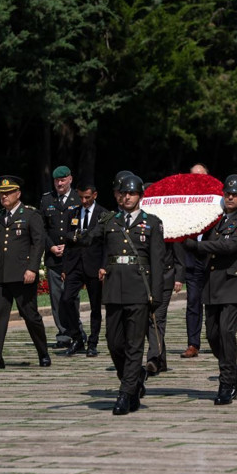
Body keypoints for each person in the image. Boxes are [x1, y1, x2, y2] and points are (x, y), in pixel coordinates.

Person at [80, 174, 165, 414]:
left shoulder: (152, 223)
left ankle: (125, 393)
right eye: (123, 193)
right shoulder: (110, 221)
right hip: (114, 289)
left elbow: (157, 262)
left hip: (139, 290)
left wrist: (155, 296)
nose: (126, 197)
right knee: (114, 342)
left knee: (134, 344)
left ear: (140, 196)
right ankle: (135, 376)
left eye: (132, 193)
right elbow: (89, 239)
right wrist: (69, 237)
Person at [183, 175, 237, 405]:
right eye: (227, 193)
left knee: (226, 332)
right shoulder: (214, 219)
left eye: (234, 194)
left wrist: (198, 245)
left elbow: (230, 245)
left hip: (233, 285)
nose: (230, 197)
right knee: (212, 335)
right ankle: (232, 368)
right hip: (212, 285)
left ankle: (226, 382)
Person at [0, 176, 51, 370]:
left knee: (30, 315)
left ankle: (43, 353)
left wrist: (33, 268)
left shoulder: (30, 215)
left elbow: (38, 243)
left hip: (22, 275)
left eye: (8, 193)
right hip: (1, 276)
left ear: (18, 194)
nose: (4, 196)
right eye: (2, 193)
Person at [60, 181, 107, 357]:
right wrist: (65, 267)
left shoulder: (103, 214)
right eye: (81, 197)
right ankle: (77, 337)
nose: (84, 201)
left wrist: (104, 266)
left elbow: (106, 244)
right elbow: (68, 240)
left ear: (94, 195)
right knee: (66, 299)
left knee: (95, 306)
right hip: (75, 264)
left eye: (87, 197)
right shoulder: (73, 212)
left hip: (94, 265)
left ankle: (93, 342)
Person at [40, 165, 84, 347]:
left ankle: (77, 330)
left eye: (63, 179)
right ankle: (64, 334)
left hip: (72, 256)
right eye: (57, 180)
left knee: (71, 296)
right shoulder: (46, 199)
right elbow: (41, 228)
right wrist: (50, 247)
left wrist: (70, 244)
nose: (59, 183)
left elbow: (84, 226)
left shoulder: (78, 198)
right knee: (57, 297)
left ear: (70, 179)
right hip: (54, 257)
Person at [181, 163, 211, 359]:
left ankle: (215, 338)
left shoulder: (217, 200)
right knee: (193, 302)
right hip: (192, 257)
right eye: (193, 176)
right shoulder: (184, 201)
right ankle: (193, 343)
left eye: (200, 176)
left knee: (213, 303)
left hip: (211, 257)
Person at [146, 241, 183, 375]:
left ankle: (153, 358)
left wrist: (179, 277)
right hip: (147, 280)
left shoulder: (171, 229)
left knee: (157, 317)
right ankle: (161, 361)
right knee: (149, 319)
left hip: (166, 278)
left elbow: (179, 255)